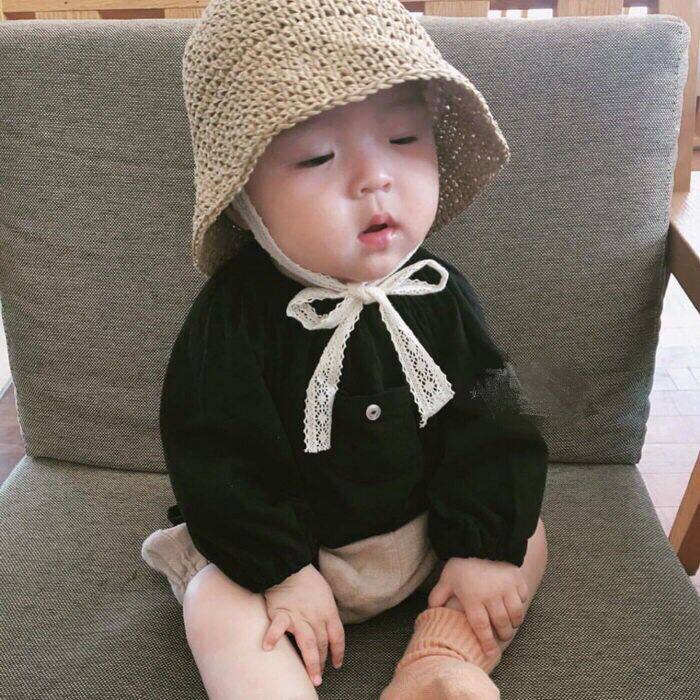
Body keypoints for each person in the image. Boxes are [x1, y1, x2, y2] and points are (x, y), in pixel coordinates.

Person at [141, 1, 550, 698]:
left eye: (403, 138)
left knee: (524, 535)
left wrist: (481, 547)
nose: (373, 179)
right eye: (316, 156)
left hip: (423, 534)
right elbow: (215, 459)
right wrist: (282, 570)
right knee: (218, 606)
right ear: (242, 198)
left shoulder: (438, 291)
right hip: (285, 556)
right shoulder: (235, 319)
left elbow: (492, 425)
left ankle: (438, 661)